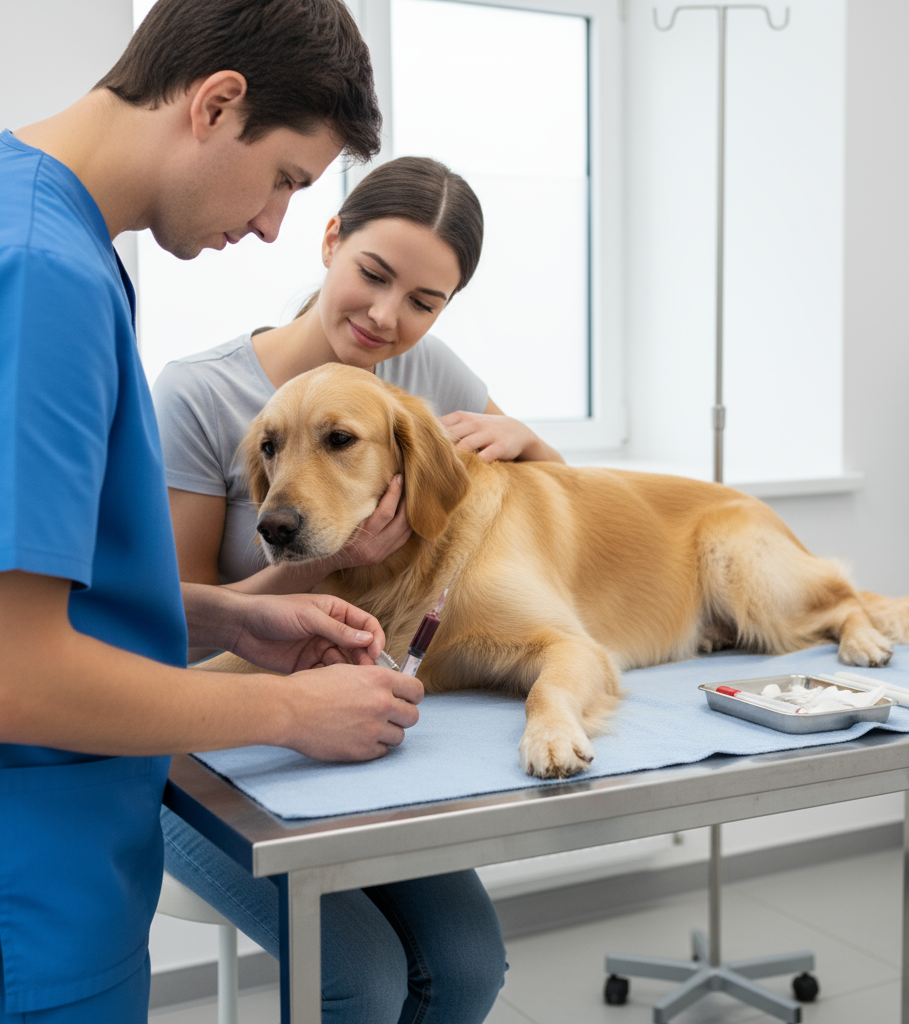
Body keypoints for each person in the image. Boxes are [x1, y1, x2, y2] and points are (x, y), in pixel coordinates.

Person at [0, 2, 430, 1022]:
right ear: (217, 102)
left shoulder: (46, 230)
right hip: (35, 904)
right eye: (284, 177)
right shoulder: (45, 276)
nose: (278, 223)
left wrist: (226, 616)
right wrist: (289, 712)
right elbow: (14, 668)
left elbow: (51, 596)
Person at [153, 156, 557, 1021]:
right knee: (363, 982)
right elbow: (170, 631)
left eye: (423, 300)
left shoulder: (426, 379)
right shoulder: (200, 395)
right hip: (197, 753)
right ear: (331, 240)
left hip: (357, 741)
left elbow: (548, 508)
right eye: (373, 275)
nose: (387, 317)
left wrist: (530, 441)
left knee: (468, 967)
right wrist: (319, 559)